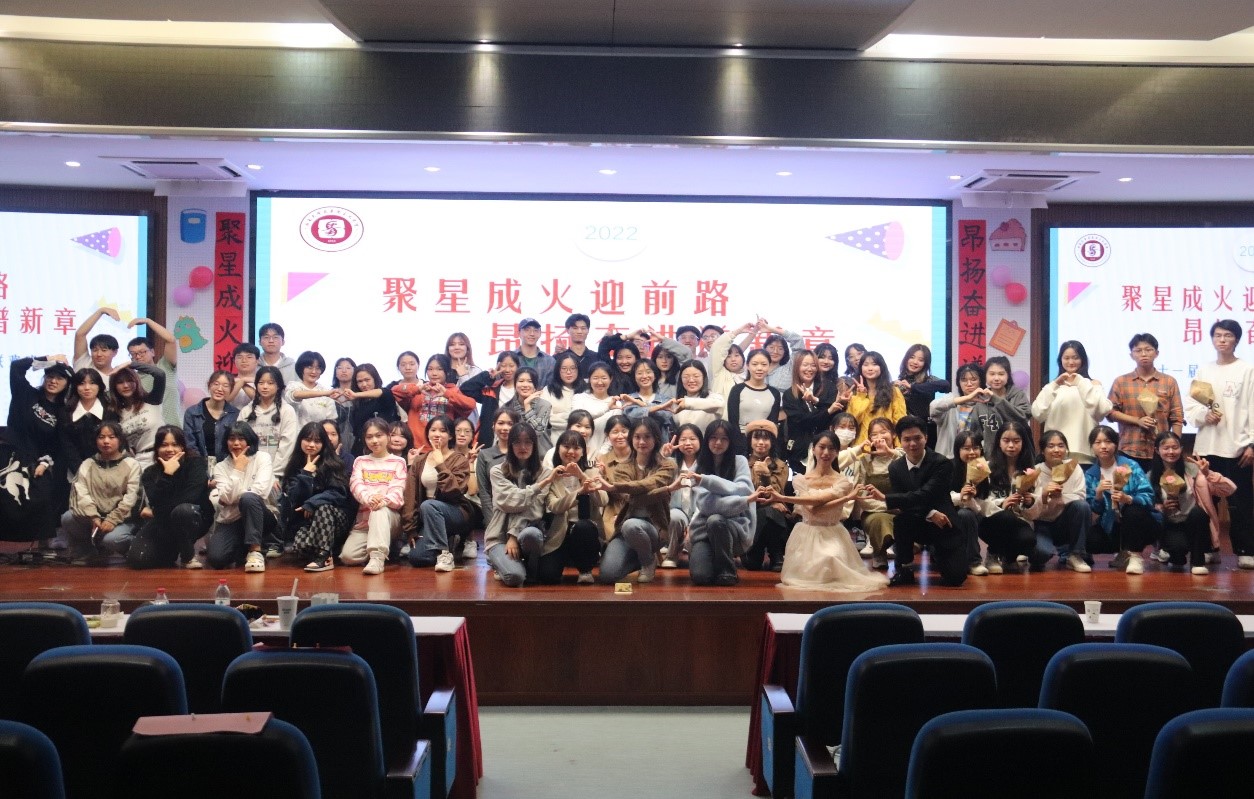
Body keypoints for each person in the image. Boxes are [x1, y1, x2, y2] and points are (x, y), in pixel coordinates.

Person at [767, 430, 889, 592]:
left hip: (833, 532)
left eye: (831, 448)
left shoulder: (842, 481)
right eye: (822, 447)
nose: (826, 452)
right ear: (813, 449)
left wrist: (782, 498)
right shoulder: (801, 480)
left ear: (837, 452)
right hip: (807, 534)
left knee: (831, 558)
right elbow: (812, 509)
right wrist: (847, 498)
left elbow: (817, 504)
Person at [863, 415, 975, 587]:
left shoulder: (942, 463)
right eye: (907, 439)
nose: (912, 444)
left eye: (917, 438)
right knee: (902, 521)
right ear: (900, 441)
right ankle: (904, 569)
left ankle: (939, 553)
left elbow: (926, 494)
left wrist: (885, 497)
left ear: (926, 438)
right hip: (917, 521)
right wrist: (930, 513)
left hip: (944, 523)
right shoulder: (895, 467)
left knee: (956, 578)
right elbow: (903, 504)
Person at [1181, 319, 1254, 569]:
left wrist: (1252, 444)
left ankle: (1245, 550)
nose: (1222, 340)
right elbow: (1192, 406)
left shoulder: (1247, 370)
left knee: (1241, 502)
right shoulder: (1204, 370)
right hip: (1207, 447)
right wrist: (1205, 416)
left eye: (1228, 335)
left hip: (1238, 447)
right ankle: (1209, 548)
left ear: (1237, 340)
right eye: (1218, 335)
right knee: (1205, 501)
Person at [594, 417, 676, 584]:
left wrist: (615, 487)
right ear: (631, 439)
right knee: (608, 575)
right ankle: (641, 555)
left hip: (654, 527)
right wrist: (665, 490)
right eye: (637, 437)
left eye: (647, 437)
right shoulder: (621, 468)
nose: (642, 442)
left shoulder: (667, 465)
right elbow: (630, 499)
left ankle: (648, 561)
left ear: (656, 438)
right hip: (625, 528)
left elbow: (651, 484)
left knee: (631, 525)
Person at [483, 423, 562, 587]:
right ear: (510, 444)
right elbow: (508, 502)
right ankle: (504, 563)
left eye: (528, 442)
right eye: (517, 442)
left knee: (532, 534)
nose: (523, 447)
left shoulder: (545, 472)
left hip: (529, 531)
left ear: (534, 444)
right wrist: (539, 486)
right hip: (499, 536)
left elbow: (535, 509)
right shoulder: (497, 471)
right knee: (514, 577)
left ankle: (530, 571)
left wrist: (513, 534)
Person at [1148, 431, 1234, 575]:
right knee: (1177, 558)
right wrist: (1162, 508)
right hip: (1170, 525)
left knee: (1198, 512)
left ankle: (1198, 562)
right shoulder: (1151, 476)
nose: (1171, 452)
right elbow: (1147, 509)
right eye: (1166, 448)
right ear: (1157, 450)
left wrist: (1207, 473)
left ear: (1181, 449)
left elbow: (1228, 489)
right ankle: (1170, 552)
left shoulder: (1194, 470)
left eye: (1175, 447)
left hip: (1194, 522)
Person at [128, 425, 212, 569]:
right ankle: (172, 549)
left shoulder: (196, 464)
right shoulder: (150, 473)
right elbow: (155, 501)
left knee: (183, 510)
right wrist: (167, 474)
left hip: (195, 518)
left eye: (175, 445)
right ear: (156, 448)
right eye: (164, 445)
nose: (170, 449)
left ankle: (187, 556)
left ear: (182, 447)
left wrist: (156, 511)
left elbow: (191, 498)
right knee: (138, 560)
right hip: (163, 522)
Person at [963, 421, 1039, 574]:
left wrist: (1030, 502)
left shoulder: (1031, 471)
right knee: (1006, 517)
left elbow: (1036, 511)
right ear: (999, 442)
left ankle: (1009, 558)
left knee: (1029, 540)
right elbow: (980, 503)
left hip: (1019, 521)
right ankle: (993, 553)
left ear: (1023, 443)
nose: (1011, 445)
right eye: (1006, 440)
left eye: (1016, 441)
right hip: (990, 521)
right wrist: (1001, 503)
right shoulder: (986, 467)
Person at [685, 420, 754, 586]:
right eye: (713, 437)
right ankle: (713, 559)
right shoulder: (698, 466)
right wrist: (740, 501)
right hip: (703, 531)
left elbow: (744, 489)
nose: (718, 442)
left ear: (731, 441)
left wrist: (707, 482)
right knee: (701, 577)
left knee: (715, 519)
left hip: (734, 526)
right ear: (707, 439)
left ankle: (727, 570)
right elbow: (706, 504)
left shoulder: (740, 461)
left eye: (724, 438)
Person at [62, 421, 142, 565]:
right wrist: (93, 516)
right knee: (68, 518)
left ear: (120, 440)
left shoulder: (132, 464)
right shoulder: (87, 464)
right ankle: (87, 552)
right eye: (101, 437)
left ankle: (136, 549)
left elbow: (131, 497)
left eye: (111, 437)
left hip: (123, 520)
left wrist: (112, 519)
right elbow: (81, 494)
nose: (106, 441)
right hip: (95, 519)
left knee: (112, 540)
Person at [404, 416, 475, 572]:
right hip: (429, 518)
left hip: (455, 512)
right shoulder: (419, 461)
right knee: (417, 557)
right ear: (428, 434)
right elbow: (410, 495)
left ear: (450, 436)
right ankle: (449, 540)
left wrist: (440, 465)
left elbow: (455, 492)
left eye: (443, 431)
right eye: (433, 430)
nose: (437, 434)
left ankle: (445, 554)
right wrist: (411, 529)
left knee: (429, 505)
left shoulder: (459, 460)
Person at [1106, 333, 1184, 473]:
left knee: (1163, 486)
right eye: (1138, 350)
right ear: (1131, 355)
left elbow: (1177, 417)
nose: (1143, 354)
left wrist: (1174, 446)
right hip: (1129, 449)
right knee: (1129, 486)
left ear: (1156, 353)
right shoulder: (1121, 382)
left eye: (1148, 350)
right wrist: (1137, 421)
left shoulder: (1169, 382)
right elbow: (1110, 413)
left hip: (1161, 452)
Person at [1084, 425, 1157, 575]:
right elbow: (1095, 509)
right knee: (1091, 541)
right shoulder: (1091, 474)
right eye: (1098, 442)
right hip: (1111, 524)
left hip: (1139, 521)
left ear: (1116, 444)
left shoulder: (1130, 465)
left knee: (1132, 510)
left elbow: (1149, 496)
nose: (1103, 446)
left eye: (1108, 441)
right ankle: (1124, 553)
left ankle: (1135, 556)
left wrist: (1128, 498)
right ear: (1092, 447)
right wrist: (1098, 494)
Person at [280, 422, 352, 573]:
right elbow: (293, 498)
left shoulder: (334, 463)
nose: (311, 445)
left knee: (323, 508)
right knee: (301, 548)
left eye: (317, 441)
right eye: (308, 439)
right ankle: (326, 550)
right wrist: (305, 474)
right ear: (300, 440)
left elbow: (338, 493)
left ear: (323, 443)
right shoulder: (294, 466)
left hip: (335, 519)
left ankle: (324, 557)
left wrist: (313, 503)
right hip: (306, 521)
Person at [206, 422, 277, 572]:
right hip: (231, 519)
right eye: (232, 438)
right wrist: (238, 469)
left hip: (262, 515)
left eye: (241, 438)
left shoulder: (262, 458)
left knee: (249, 499)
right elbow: (226, 498)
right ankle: (243, 549)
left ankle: (255, 551)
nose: (236, 443)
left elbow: (260, 492)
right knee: (216, 560)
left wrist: (231, 498)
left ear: (249, 440)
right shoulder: (220, 467)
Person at [543, 430, 608, 584]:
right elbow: (554, 506)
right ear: (558, 448)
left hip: (586, 532)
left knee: (583, 527)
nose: (571, 451)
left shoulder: (592, 471)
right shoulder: (551, 475)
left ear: (583, 452)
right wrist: (579, 493)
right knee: (547, 576)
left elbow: (603, 500)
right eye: (566, 446)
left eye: (577, 448)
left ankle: (585, 570)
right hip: (560, 533)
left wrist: (581, 476)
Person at [1031, 340, 1112, 463]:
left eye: (1075, 358)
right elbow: (1037, 413)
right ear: (1060, 360)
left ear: (1083, 360)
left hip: (1084, 453)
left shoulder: (1092, 384)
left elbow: (1102, 411)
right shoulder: (1053, 387)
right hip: (1056, 453)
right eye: (1066, 358)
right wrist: (1054, 385)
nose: (1071, 362)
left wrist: (1080, 382)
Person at [344, 417, 406, 575]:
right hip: (364, 523)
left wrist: (383, 501)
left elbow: (397, 492)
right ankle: (383, 546)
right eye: (369, 437)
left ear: (388, 436)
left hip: (389, 518)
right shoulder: (360, 461)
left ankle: (377, 558)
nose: (374, 441)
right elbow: (356, 485)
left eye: (379, 435)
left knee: (379, 511)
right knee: (348, 557)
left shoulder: (398, 462)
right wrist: (370, 498)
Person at [1025, 430, 1092, 573]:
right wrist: (1044, 496)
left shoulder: (1073, 468)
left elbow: (1080, 496)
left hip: (1065, 522)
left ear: (1066, 449)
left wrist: (1060, 497)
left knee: (1082, 506)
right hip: (1042, 524)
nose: (1056, 450)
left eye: (1061, 446)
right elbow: (1030, 511)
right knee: (1040, 555)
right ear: (1042, 451)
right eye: (1051, 446)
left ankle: (1076, 555)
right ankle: (1037, 552)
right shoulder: (1035, 471)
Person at [239, 366, 299, 512]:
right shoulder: (246, 411)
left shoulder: (287, 411)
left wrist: (273, 475)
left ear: (279, 386)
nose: (265, 386)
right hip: (248, 472)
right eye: (261, 383)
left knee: (272, 510)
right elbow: (239, 443)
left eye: (270, 383)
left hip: (276, 475)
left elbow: (287, 446)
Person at [850, 417, 904, 570]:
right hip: (874, 511)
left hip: (903, 509)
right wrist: (889, 507)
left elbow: (910, 467)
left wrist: (889, 452)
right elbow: (860, 494)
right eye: (874, 434)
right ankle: (879, 553)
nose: (879, 437)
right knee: (878, 520)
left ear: (893, 434)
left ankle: (903, 555)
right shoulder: (865, 461)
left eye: (884, 432)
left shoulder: (901, 455)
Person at [394, 354, 476, 451]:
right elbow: (395, 390)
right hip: (417, 448)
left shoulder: (453, 390)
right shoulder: (419, 389)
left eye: (439, 369)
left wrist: (446, 394)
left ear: (447, 371)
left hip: (443, 449)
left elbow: (471, 404)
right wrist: (417, 389)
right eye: (430, 369)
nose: (434, 373)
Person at [742, 420, 792, 572]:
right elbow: (744, 492)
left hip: (774, 516)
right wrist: (771, 501)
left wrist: (765, 476)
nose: (761, 442)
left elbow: (775, 492)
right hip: (748, 513)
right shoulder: (741, 463)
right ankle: (754, 552)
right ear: (750, 440)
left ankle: (776, 554)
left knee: (771, 511)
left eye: (766, 438)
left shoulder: (781, 465)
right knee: (769, 509)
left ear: (772, 442)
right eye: (756, 437)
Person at [781, 350, 840, 473]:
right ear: (797, 367)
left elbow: (835, 413)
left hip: (827, 450)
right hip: (800, 451)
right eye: (805, 365)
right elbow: (802, 421)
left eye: (813, 365)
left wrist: (816, 400)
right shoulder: (789, 394)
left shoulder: (829, 387)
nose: (809, 369)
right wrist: (827, 411)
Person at [967, 355, 1031, 459]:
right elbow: (975, 435)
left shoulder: (1018, 395)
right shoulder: (980, 401)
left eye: (1001, 374)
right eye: (992, 374)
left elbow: (1023, 417)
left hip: (1018, 457)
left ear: (1008, 375)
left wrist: (995, 399)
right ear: (985, 376)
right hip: (991, 458)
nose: (996, 378)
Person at [59, 368, 118, 478]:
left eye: (92, 383)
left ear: (99, 386)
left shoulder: (110, 411)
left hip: (108, 471)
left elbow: (114, 444)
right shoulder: (65, 413)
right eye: (82, 383)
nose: (87, 388)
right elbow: (67, 447)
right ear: (75, 387)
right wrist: (82, 472)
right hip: (76, 474)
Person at [125, 317, 181, 426]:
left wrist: (148, 321)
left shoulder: (165, 366)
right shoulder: (132, 380)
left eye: (142, 352)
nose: (138, 356)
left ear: (152, 352)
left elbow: (171, 340)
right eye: (133, 354)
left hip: (173, 428)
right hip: (149, 431)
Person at [661, 423, 703, 569]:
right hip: (678, 510)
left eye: (693, 439)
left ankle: (694, 551)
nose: (688, 443)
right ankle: (672, 554)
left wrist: (692, 525)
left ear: (700, 441)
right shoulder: (671, 463)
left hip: (700, 512)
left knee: (697, 564)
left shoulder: (706, 464)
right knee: (674, 517)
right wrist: (663, 456)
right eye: (683, 439)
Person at [110, 364, 166, 470]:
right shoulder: (116, 413)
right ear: (114, 386)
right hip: (139, 461)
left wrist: (130, 364)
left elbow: (160, 374)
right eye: (120, 382)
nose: (126, 385)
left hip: (162, 455)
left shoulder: (152, 400)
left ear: (136, 381)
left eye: (130, 380)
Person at [727, 349, 782, 453]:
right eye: (755, 364)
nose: (759, 368)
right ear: (747, 366)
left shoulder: (774, 393)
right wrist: (742, 447)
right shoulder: (737, 390)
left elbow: (772, 424)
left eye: (764, 364)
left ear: (769, 366)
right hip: (739, 444)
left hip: (763, 445)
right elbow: (733, 423)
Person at [846, 351, 907, 445]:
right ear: (861, 368)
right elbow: (852, 423)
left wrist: (899, 449)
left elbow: (900, 422)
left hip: (886, 446)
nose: (870, 368)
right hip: (861, 447)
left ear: (881, 367)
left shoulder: (893, 391)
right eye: (866, 365)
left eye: (874, 364)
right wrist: (861, 396)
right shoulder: (854, 393)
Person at [461, 351, 521, 447]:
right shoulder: (490, 390)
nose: (507, 369)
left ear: (518, 367)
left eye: (511, 366)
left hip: (516, 440)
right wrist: (488, 376)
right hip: (490, 442)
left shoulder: (523, 390)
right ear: (498, 367)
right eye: (503, 366)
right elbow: (466, 389)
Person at [183, 370, 240, 465]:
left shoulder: (235, 414)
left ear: (231, 389)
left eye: (225, 386)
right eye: (216, 384)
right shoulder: (192, 413)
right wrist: (200, 467)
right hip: (198, 465)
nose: (220, 389)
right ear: (209, 385)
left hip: (227, 466)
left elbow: (237, 444)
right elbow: (190, 445)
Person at [929, 363, 985, 461]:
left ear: (981, 381)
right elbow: (933, 408)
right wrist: (967, 398)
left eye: (973, 379)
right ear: (958, 383)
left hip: (976, 460)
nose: (969, 384)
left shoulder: (986, 405)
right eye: (964, 380)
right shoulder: (951, 400)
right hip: (948, 460)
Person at [570, 362, 627, 455]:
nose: (600, 382)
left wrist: (601, 454)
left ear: (611, 379)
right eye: (595, 378)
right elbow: (578, 420)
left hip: (602, 455)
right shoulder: (579, 398)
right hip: (576, 452)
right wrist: (607, 407)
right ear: (589, 379)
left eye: (604, 378)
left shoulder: (616, 403)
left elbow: (614, 433)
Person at [346, 362, 401, 456]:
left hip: (384, 449)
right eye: (359, 381)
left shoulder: (385, 395)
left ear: (375, 379)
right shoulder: (358, 403)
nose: (364, 384)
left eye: (367, 380)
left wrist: (356, 395)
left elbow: (381, 392)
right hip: (361, 449)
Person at [895, 344, 951, 427]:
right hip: (905, 428)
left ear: (925, 364)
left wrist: (912, 387)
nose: (915, 362)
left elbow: (945, 385)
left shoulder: (929, 380)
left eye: (920, 360)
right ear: (906, 359)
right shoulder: (899, 383)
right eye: (912, 357)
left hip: (925, 427)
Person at [501, 366, 553, 452]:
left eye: (530, 381)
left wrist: (527, 406)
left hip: (540, 454)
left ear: (535, 385)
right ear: (515, 384)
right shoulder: (507, 407)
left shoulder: (544, 405)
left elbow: (537, 432)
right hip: (514, 453)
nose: (525, 385)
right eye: (521, 381)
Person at [285, 350, 340, 426]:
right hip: (297, 432)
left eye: (318, 368)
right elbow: (296, 395)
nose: (314, 372)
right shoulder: (293, 386)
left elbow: (331, 420)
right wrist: (325, 393)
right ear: (301, 368)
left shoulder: (326, 391)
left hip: (320, 433)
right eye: (309, 367)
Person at [624, 359, 674, 440]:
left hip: (661, 444)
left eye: (648, 372)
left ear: (655, 375)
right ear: (634, 377)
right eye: (639, 373)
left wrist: (640, 404)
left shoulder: (665, 399)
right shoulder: (629, 398)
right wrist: (659, 407)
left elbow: (665, 417)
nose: (644, 376)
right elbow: (632, 416)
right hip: (635, 444)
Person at [72, 306, 125, 380]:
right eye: (95, 350)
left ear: (115, 352)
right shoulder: (84, 363)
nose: (99, 354)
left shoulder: (118, 378)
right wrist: (101, 311)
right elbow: (80, 335)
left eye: (104, 350)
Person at [671, 360, 724, 432]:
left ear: (704, 377)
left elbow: (719, 404)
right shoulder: (677, 402)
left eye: (696, 376)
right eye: (686, 377)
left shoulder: (713, 398)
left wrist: (687, 404)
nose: (691, 380)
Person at [545, 351, 585, 436]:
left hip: (581, 439)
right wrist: (576, 420)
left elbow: (589, 419)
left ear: (578, 369)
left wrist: (558, 415)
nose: (568, 372)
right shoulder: (548, 390)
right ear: (558, 370)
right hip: (555, 439)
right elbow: (548, 419)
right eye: (564, 368)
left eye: (572, 368)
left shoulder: (586, 389)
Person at [760, 321, 805, 392]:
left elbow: (798, 341)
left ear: (785, 352)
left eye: (780, 348)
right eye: (771, 347)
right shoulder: (756, 369)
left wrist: (776, 331)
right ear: (765, 348)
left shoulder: (789, 368)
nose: (775, 351)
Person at [555, 313, 605, 377]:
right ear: (567, 330)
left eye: (583, 328)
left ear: (588, 330)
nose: (579, 332)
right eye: (575, 328)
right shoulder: (559, 358)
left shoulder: (597, 358)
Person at [515, 317, 556, 386]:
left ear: (540, 333)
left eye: (536, 330)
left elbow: (552, 387)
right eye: (527, 330)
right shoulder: (510, 358)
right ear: (519, 333)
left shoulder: (549, 361)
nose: (532, 334)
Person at [227, 342, 262, 410]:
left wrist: (242, 381)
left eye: (249, 357)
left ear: (257, 361)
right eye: (239, 357)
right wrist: (242, 381)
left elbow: (262, 401)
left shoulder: (262, 382)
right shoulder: (228, 382)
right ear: (234, 361)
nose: (244, 360)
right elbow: (224, 401)